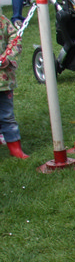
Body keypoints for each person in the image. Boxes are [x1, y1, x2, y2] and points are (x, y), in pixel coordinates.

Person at [0, 8, 27, 158]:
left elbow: (15, 38)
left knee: (7, 116)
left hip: (3, 80)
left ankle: (15, 148)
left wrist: (7, 57)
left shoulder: (2, 21)